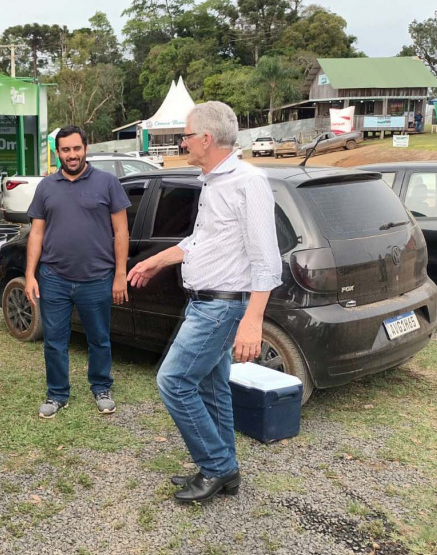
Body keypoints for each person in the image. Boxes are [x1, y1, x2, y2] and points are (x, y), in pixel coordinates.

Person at [127, 101, 282, 504]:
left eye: (187, 135)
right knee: (213, 390)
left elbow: (266, 259)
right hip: (204, 303)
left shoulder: (248, 182)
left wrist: (253, 322)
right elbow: (203, 242)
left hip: (221, 307)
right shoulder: (213, 181)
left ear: (207, 139)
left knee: (173, 382)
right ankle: (223, 469)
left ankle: (216, 466)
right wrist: (158, 259)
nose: (183, 141)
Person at [24, 125, 130, 419]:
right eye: (65, 150)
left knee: (99, 339)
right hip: (53, 279)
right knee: (55, 341)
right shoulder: (46, 187)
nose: (71, 155)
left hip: (97, 279)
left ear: (86, 148)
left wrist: (120, 274)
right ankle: (57, 394)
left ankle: (101, 387)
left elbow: (121, 231)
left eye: (76, 148)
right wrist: (30, 274)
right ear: (57, 153)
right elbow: (36, 234)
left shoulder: (108, 183)